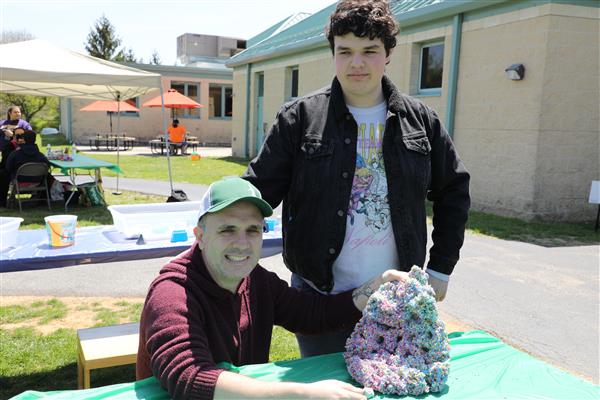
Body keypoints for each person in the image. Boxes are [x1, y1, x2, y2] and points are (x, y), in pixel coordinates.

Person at [243, 0, 470, 357]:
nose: (357, 63)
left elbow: (453, 191)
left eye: (369, 51)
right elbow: (255, 194)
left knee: (393, 382)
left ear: (388, 53)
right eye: (345, 51)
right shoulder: (299, 118)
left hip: (398, 296)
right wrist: (220, 231)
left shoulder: (421, 121)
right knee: (324, 384)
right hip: (319, 296)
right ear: (333, 54)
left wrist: (441, 268)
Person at [136, 177, 407, 400]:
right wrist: (302, 393)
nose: (242, 243)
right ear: (200, 236)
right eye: (227, 229)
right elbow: (189, 378)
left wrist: (374, 288)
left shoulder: (257, 281)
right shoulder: (172, 293)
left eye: (253, 230)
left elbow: (312, 314)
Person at [0, 106, 31, 207]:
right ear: (10, 113)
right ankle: (2, 200)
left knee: (6, 174)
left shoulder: (24, 124)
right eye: (15, 112)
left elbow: (30, 137)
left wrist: (12, 134)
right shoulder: (2, 123)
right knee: (2, 174)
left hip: (19, 154)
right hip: (5, 154)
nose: (18, 114)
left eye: (19, 112)